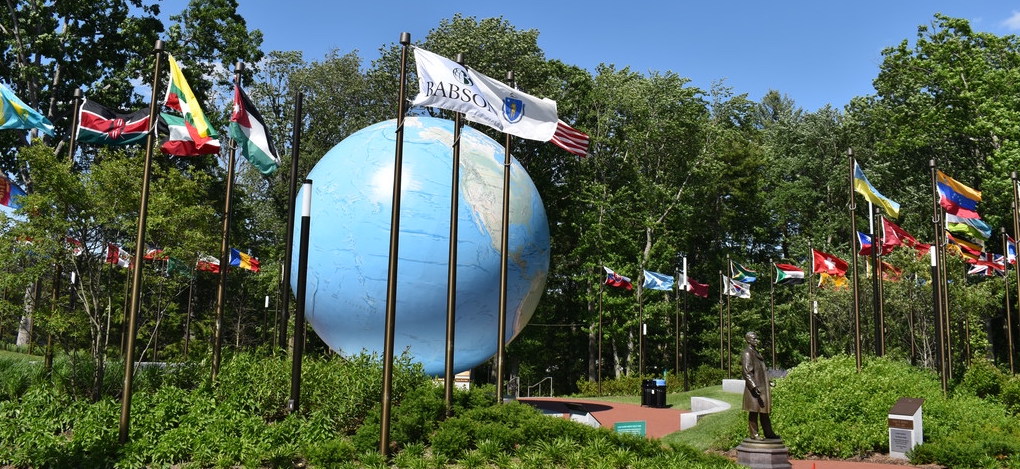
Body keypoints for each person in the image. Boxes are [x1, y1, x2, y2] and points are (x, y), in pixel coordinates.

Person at [742, 331, 778, 440]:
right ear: (748, 340)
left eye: (756, 338)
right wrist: (753, 386)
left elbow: (761, 371)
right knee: (754, 411)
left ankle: (768, 432)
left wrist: (768, 381)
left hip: (762, 386)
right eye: (754, 339)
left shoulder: (756, 353)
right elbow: (746, 372)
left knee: (764, 411)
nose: (756, 340)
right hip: (754, 388)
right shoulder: (747, 353)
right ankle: (754, 434)